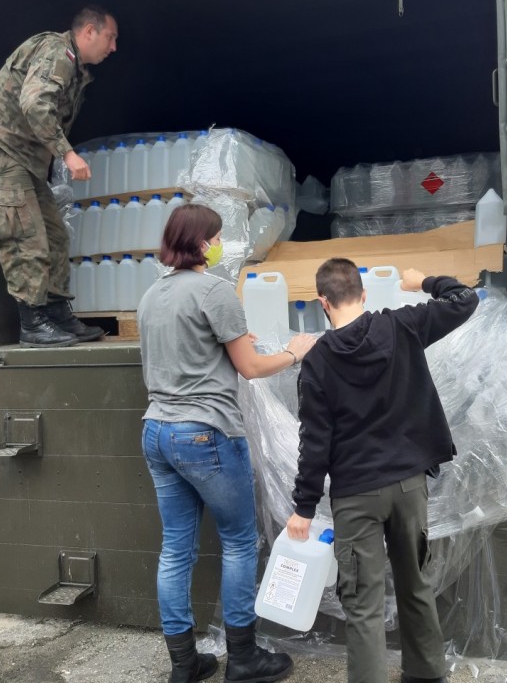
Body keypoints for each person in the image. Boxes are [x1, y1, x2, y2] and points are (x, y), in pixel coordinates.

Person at [138, 203, 316, 683]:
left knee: (176, 549)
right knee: (239, 542)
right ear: (201, 243)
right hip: (207, 433)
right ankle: (243, 658)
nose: (219, 243)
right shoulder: (215, 290)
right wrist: (292, 351)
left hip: (157, 431)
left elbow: (186, 349)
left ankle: (184, 665)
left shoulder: (152, 294)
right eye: (215, 236)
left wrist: (233, 337)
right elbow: (252, 368)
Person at [285, 258, 479, 683]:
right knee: (416, 586)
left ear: (323, 303)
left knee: (364, 606)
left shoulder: (317, 363)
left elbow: (316, 443)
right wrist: (422, 281)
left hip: (356, 496)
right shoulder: (402, 325)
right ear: (364, 294)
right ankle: (427, 675)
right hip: (410, 487)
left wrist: (303, 508)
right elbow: (466, 299)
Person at [0, 5, 119, 347]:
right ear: (89, 31)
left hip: (24, 158)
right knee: (25, 235)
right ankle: (33, 324)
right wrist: (67, 152)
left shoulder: (74, 67)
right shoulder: (56, 51)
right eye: (110, 37)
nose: (113, 47)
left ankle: (58, 314)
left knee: (55, 234)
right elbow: (35, 104)